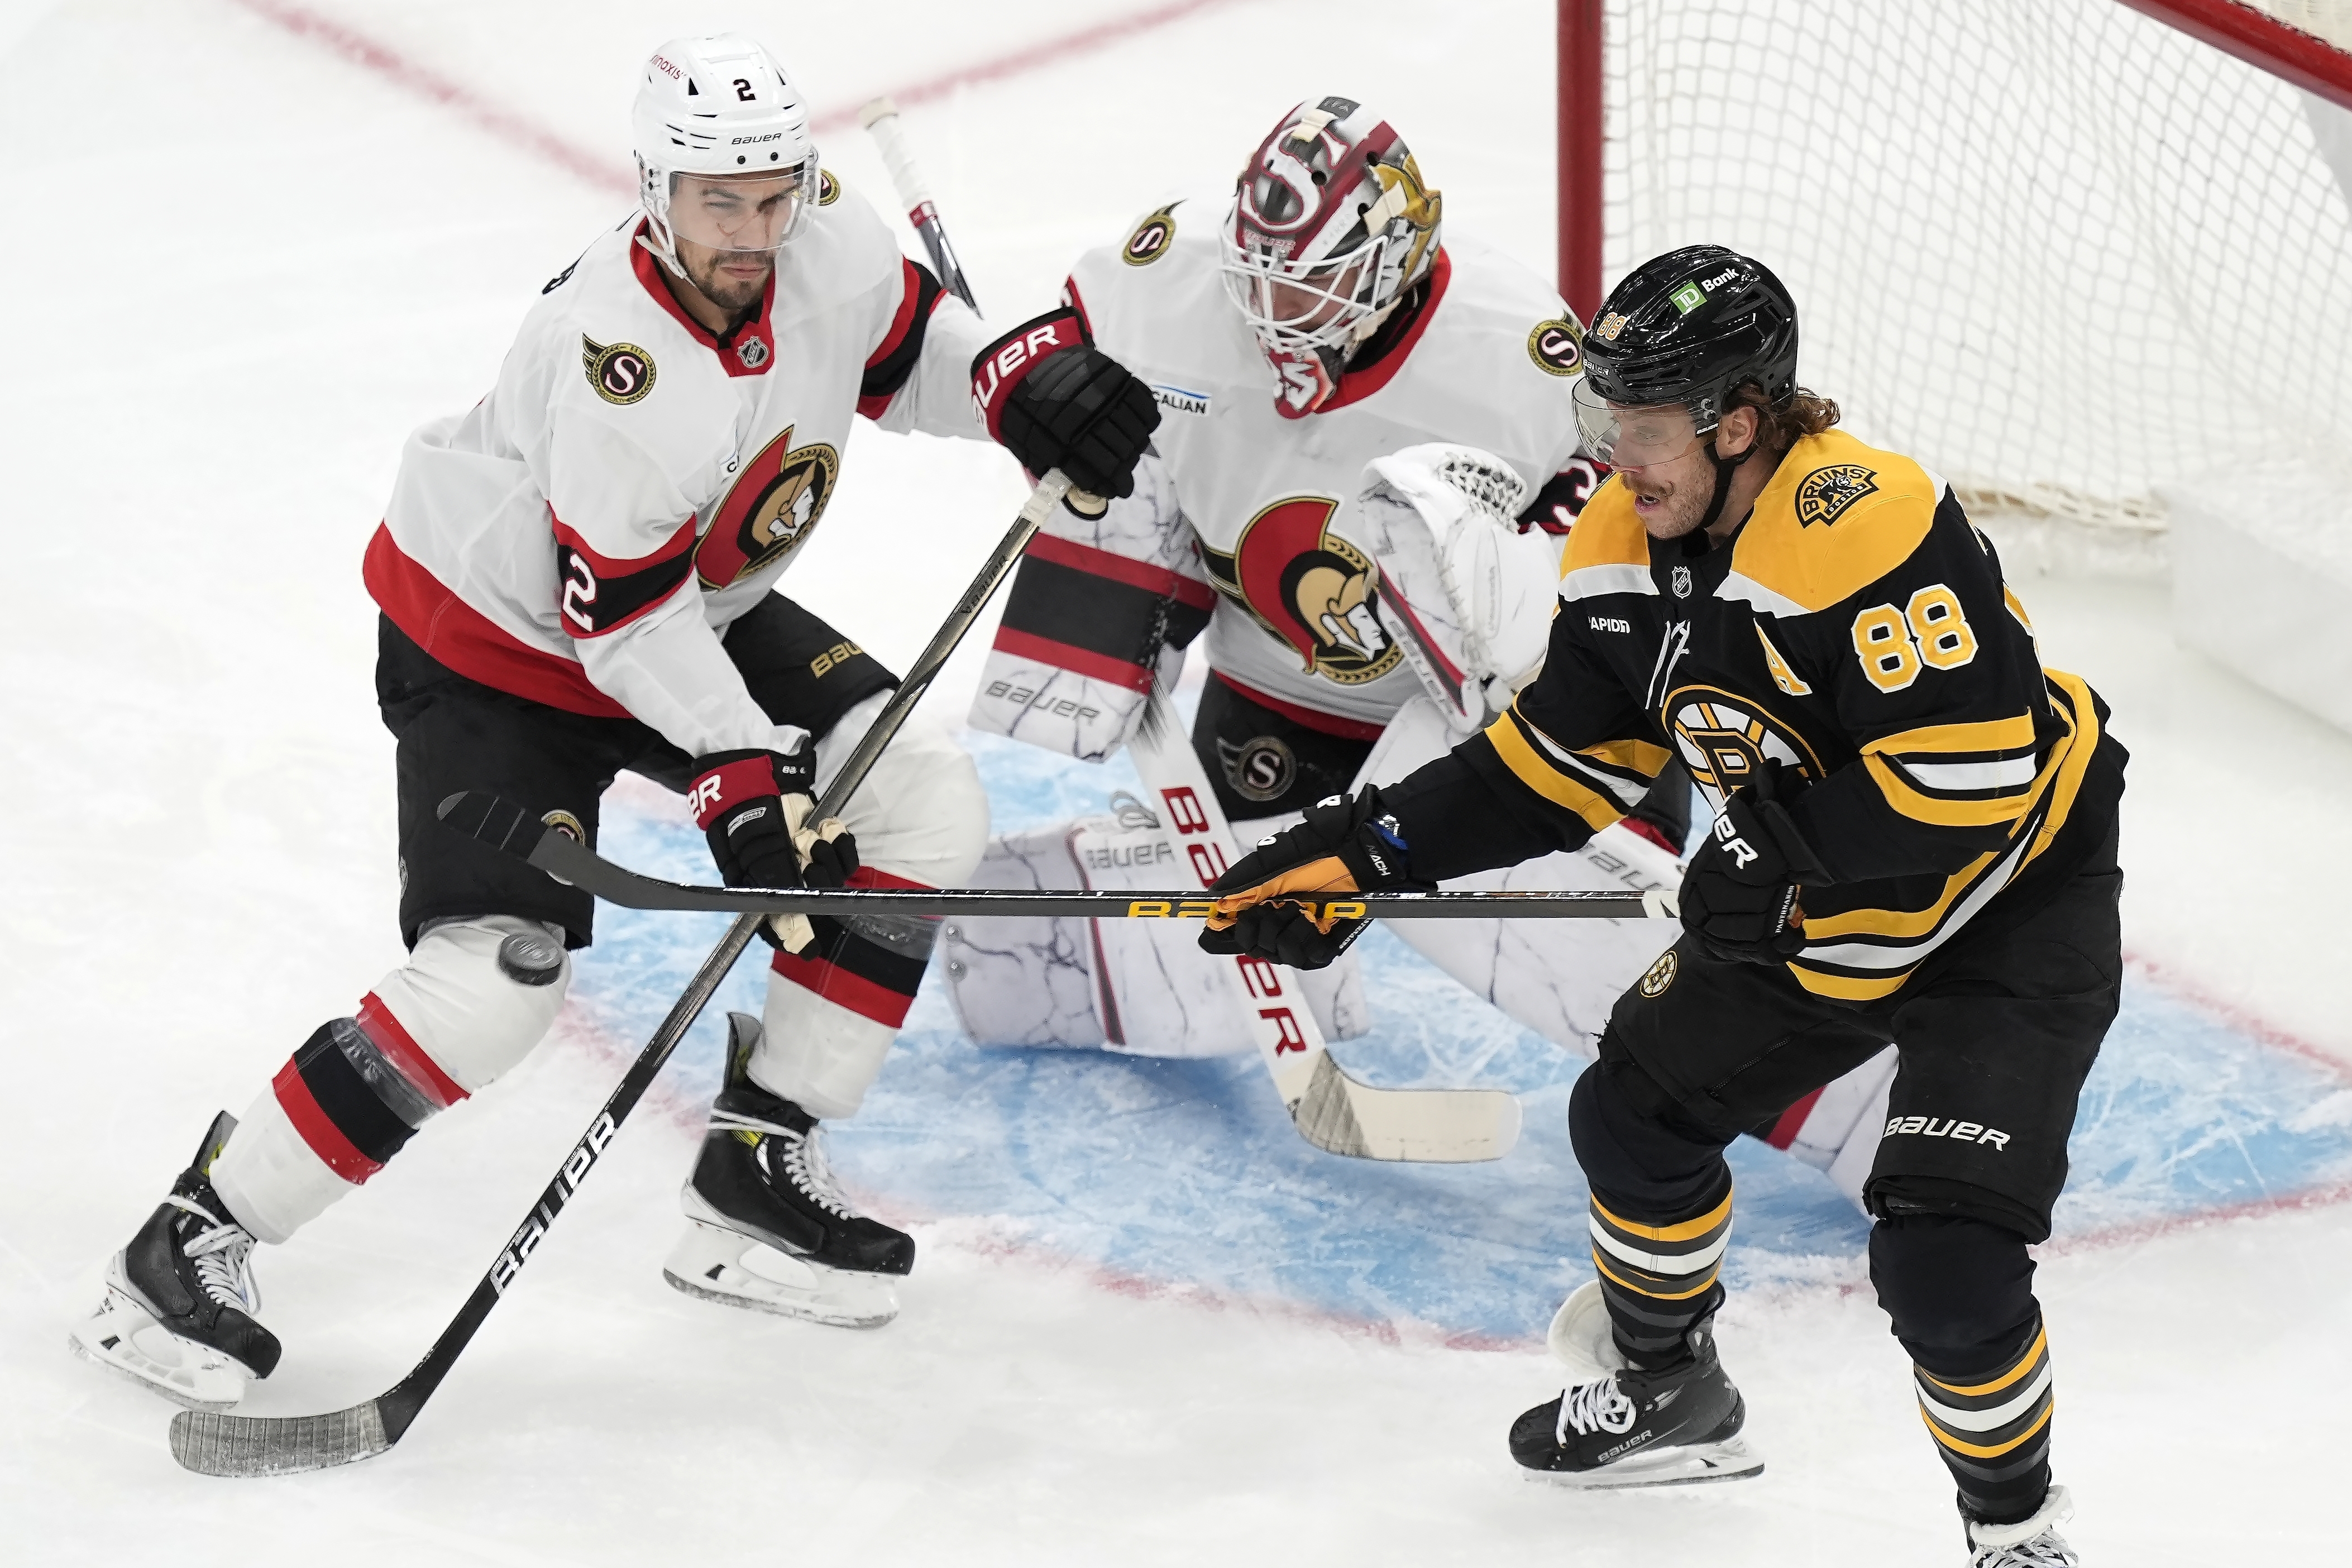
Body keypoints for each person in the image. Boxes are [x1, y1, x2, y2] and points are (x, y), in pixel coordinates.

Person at [70, 33, 1158, 1409]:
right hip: (500, 648)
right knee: (494, 987)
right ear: (655, 189)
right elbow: (621, 628)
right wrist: (739, 769)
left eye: (776, 194)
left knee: (922, 803)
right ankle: (188, 1239)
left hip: (684, 593)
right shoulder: (613, 356)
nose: (756, 230)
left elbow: (902, 353)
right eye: (722, 202)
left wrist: (1013, 387)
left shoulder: (819, 233)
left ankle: (757, 1168)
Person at [1198, 245, 2125, 1566]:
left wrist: (1761, 865)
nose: (1614, 456)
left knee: (1945, 1264)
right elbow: (1554, 763)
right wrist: (1361, 850)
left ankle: (2017, 1532)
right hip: (1820, 902)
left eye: (1640, 425)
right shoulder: (1626, 544)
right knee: (1633, 1114)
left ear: (1738, 422)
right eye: (1606, 419)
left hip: (2010, 910)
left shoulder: (1865, 523)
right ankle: (1671, 1388)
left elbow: (1968, 783)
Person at [949, 99, 1895, 1187]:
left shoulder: (1527, 361)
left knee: (1601, 963)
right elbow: (1026, 349)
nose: (1268, 314)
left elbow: (1634, 580)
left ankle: (1871, 1104)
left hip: (1499, 717)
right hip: (1274, 700)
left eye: (1303, 287)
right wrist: (1033, 388)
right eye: (1254, 278)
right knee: (1091, 959)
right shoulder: (1175, 268)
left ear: (1400, 256)